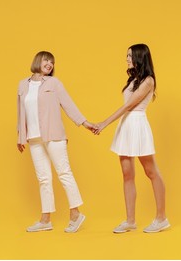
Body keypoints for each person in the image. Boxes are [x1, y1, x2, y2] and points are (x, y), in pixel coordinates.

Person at [16, 51, 96, 233]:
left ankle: (76, 214)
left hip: (54, 135)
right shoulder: (22, 85)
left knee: (64, 173)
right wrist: (20, 136)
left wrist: (85, 123)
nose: (50, 64)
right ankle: (45, 220)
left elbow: (68, 104)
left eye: (52, 62)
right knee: (43, 178)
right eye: (46, 60)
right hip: (33, 138)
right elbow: (20, 112)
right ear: (37, 61)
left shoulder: (54, 83)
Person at [94, 44, 170, 233]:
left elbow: (128, 106)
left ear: (139, 57)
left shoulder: (148, 81)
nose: (127, 58)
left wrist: (104, 123)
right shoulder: (133, 78)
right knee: (127, 173)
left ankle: (161, 218)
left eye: (130, 55)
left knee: (151, 171)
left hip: (137, 124)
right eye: (126, 55)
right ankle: (130, 221)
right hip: (126, 126)